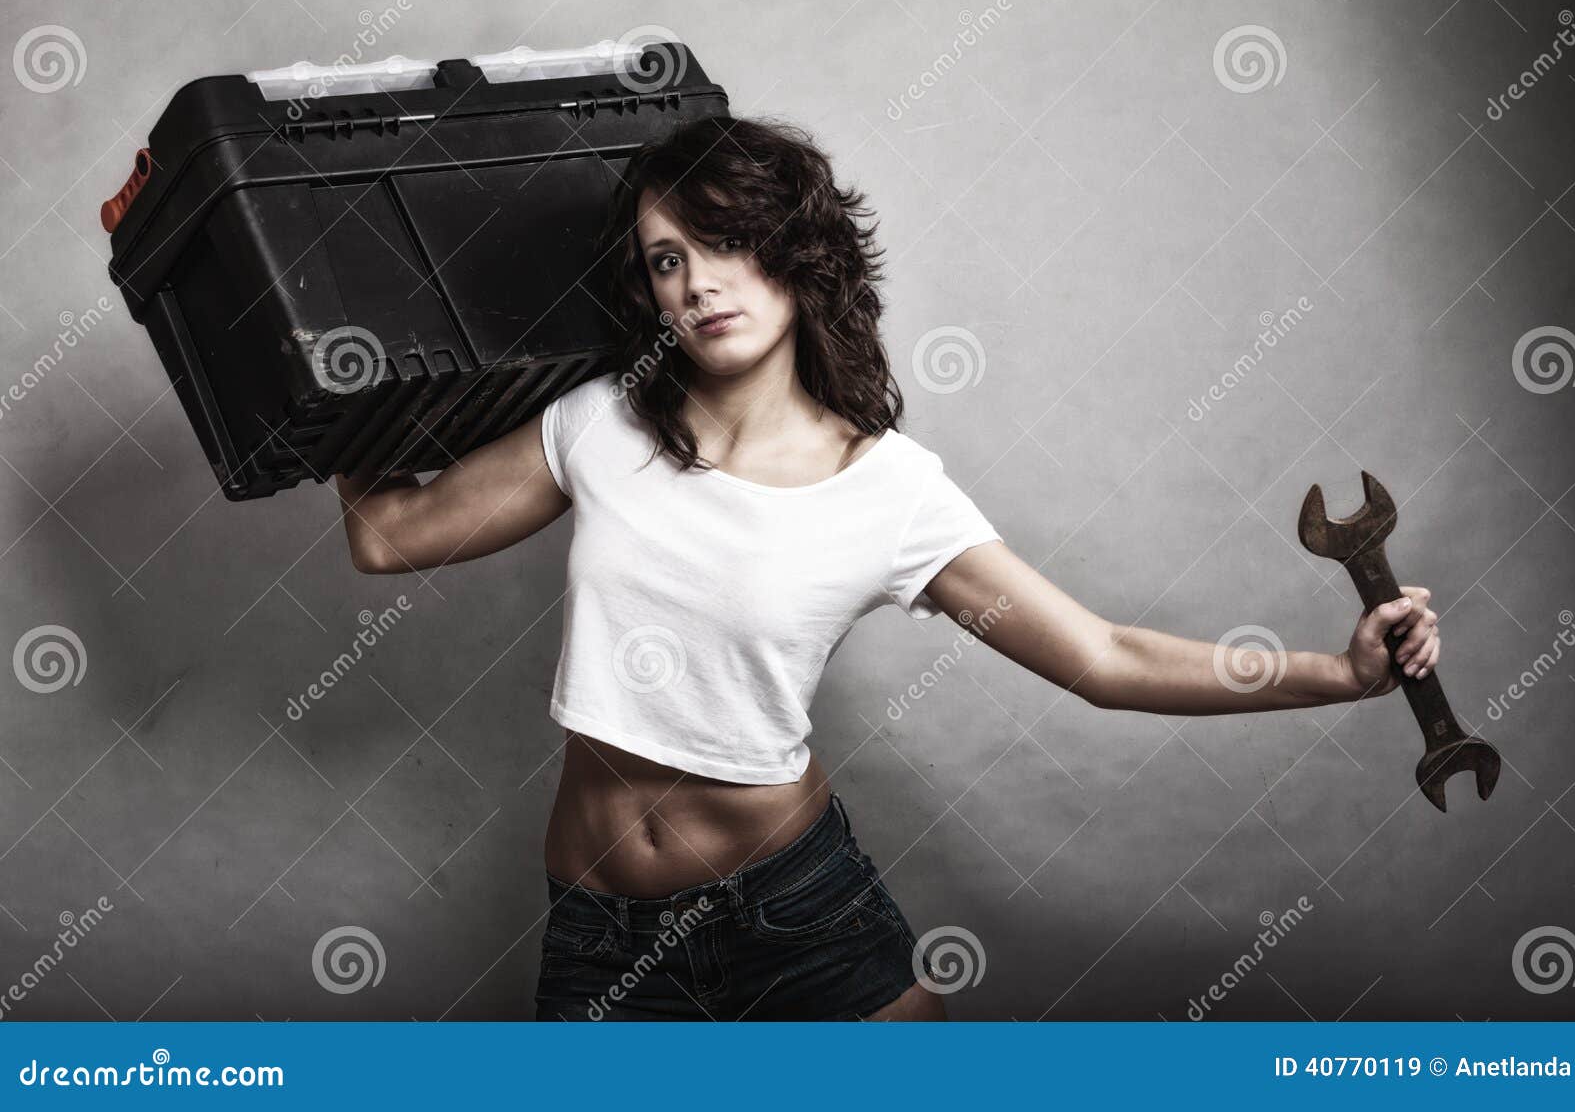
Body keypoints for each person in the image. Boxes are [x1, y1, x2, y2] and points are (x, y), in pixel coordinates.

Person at [334, 115, 1440, 1021]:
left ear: (793, 252)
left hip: (789, 909)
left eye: (725, 242)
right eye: (666, 259)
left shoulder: (889, 488)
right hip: (593, 917)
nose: (697, 282)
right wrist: (320, 379)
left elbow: (1102, 656)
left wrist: (1335, 673)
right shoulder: (599, 425)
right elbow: (388, 535)